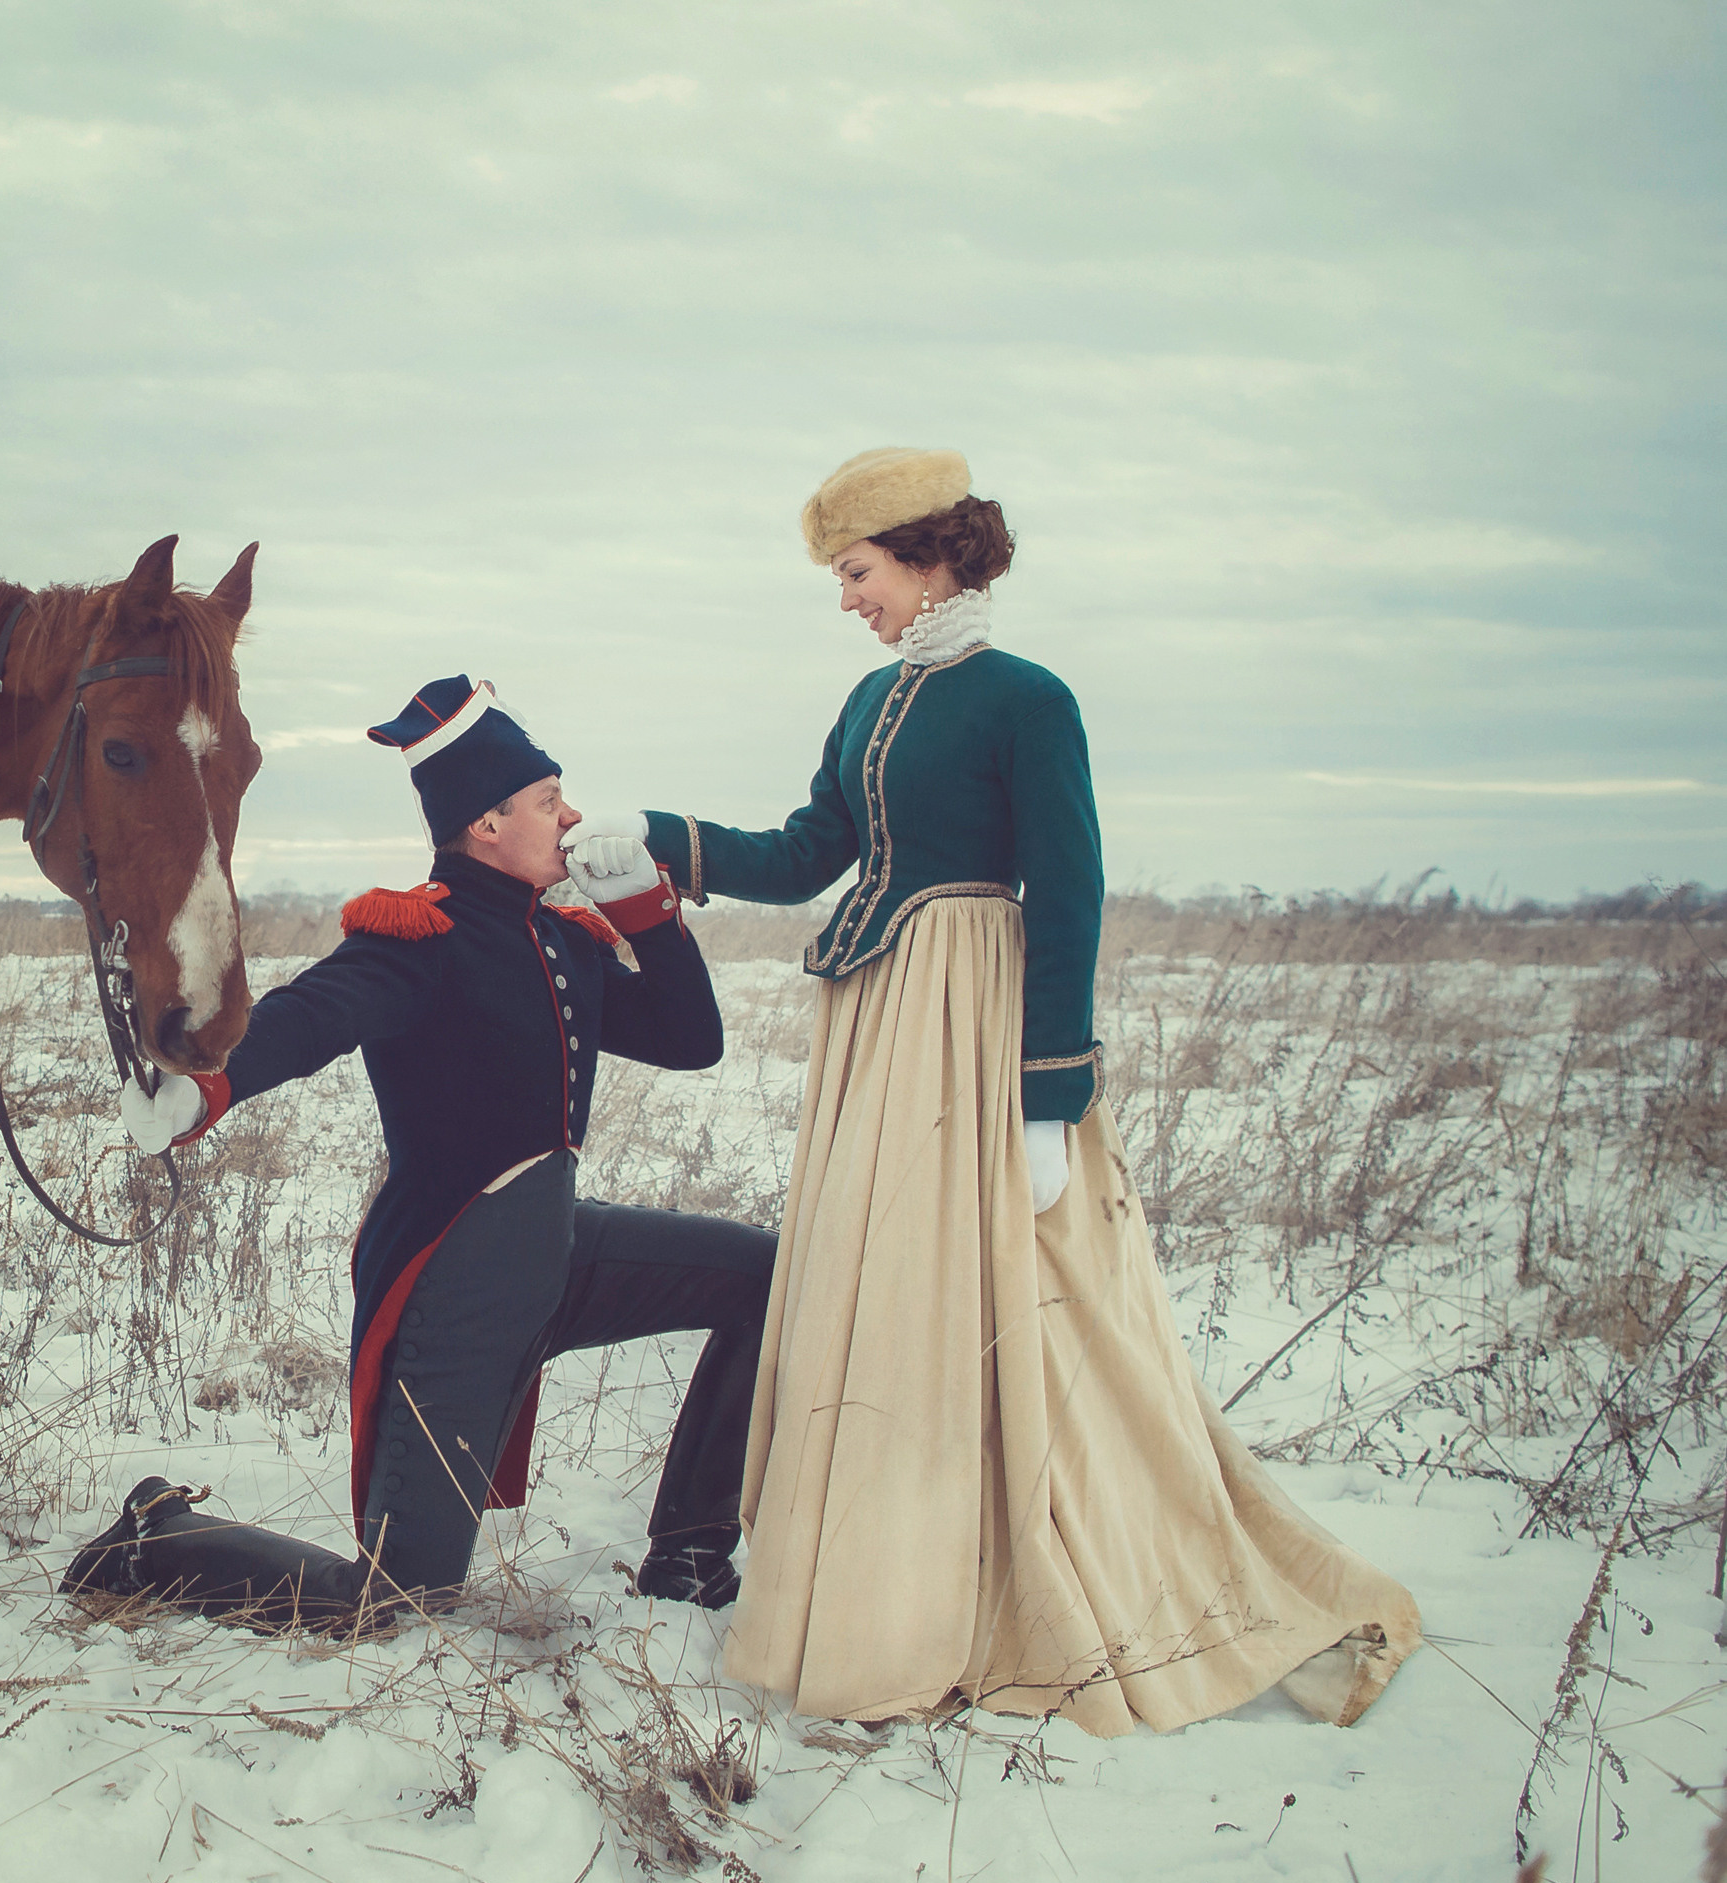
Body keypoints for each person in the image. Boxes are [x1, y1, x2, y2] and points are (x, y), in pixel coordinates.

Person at [564, 447, 1421, 1736]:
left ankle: (991, 1572)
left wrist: (1044, 1097)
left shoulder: (1029, 700)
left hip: (973, 1014)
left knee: (975, 1288)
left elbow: (1067, 894)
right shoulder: (867, 701)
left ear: (927, 554)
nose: (846, 597)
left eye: (855, 571)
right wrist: (663, 835)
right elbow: (807, 856)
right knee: (875, 1280)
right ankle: (874, 1570)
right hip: (879, 1016)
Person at [63, 675, 777, 1627]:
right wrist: (210, 1081)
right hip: (458, 1288)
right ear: (486, 823)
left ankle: (688, 1560)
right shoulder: (418, 937)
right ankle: (155, 1537)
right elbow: (314, 1013)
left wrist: (646, 909)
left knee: (767, 1276)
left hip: (559, 1252)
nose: (571, 818)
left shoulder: (562, 939)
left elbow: (692, 1042)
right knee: (395, 1598)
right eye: (547, 802)